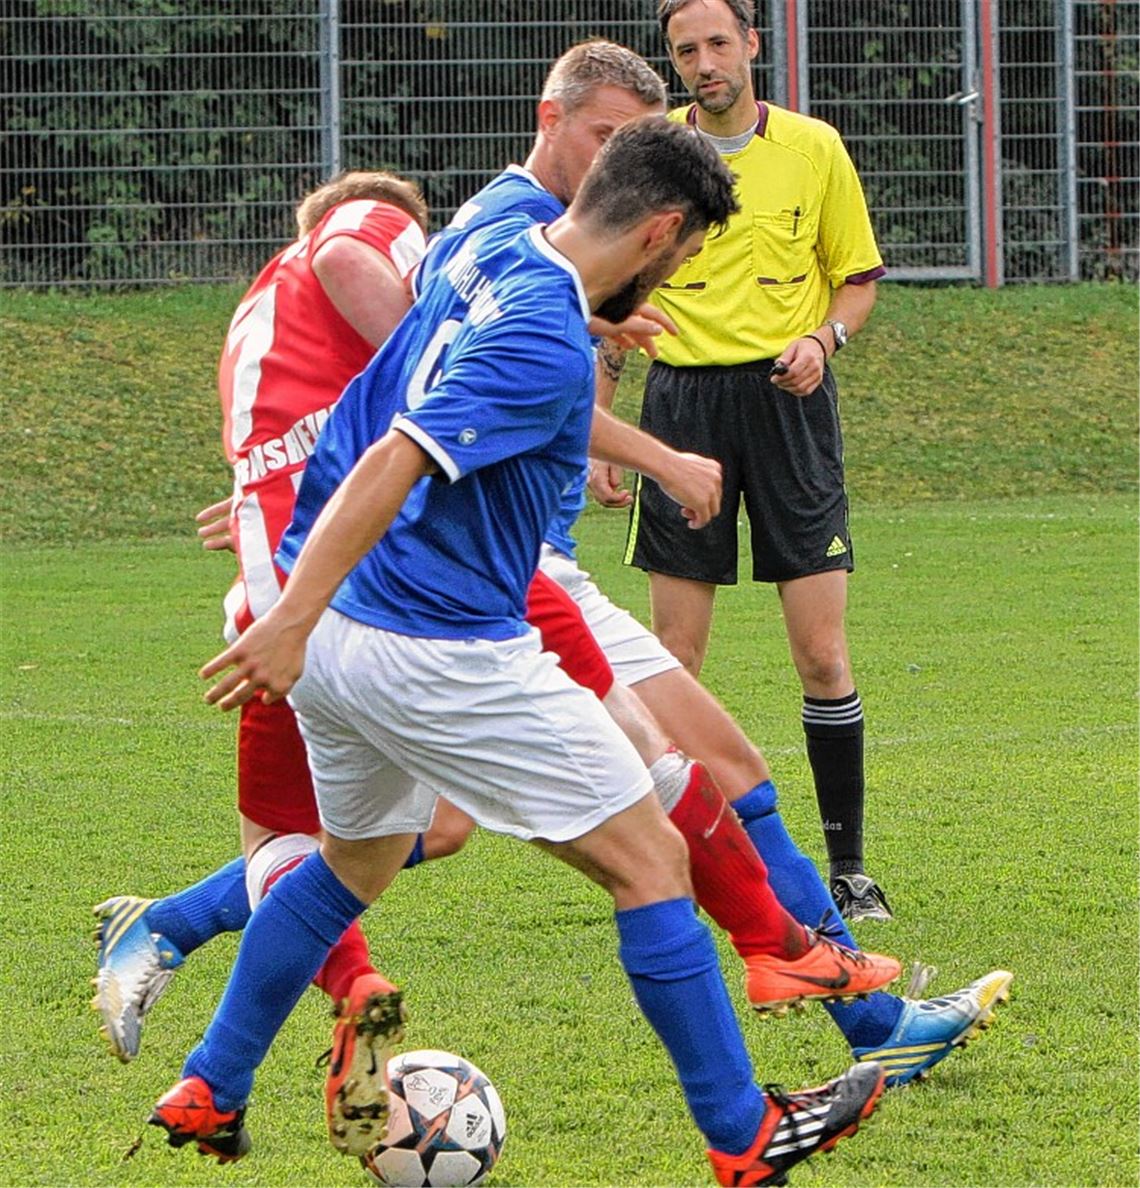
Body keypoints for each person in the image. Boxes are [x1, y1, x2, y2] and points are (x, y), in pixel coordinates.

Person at [148, 116, 888, 1188]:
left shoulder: (489, 250)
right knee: (653, 862)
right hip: (432, 645)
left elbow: (441, 374)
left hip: (344, 643)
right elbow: (403, 456)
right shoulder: (543, 339)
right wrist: (290, 615)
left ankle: (212, 1082)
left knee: (352, 863)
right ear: (659, 231)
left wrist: (308, 612)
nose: (674, 277)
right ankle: (742, 1135)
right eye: (680, 258)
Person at [90, 170, 468, 1069]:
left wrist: (260, 501)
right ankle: (351, 990)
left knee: (437, 823)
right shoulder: (362, 237)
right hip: (324, 619)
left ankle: (174, 927)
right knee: (300, 842)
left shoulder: (263, 319)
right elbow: (354, 269)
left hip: (302, 604)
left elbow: (299, 450)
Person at [600, 0, 892, 923]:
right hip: (680, 406)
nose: (703, 62)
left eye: (718, 43)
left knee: (820, 650)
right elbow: (609, 292)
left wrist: (825, 340)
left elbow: (857, 279)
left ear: (753, 45)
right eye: (686, 49)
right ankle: (675, 859)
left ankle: (848, 867)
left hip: (788, 404)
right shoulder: (651, 157)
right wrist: (601, 427)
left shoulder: (814, 148)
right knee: (673, 657)